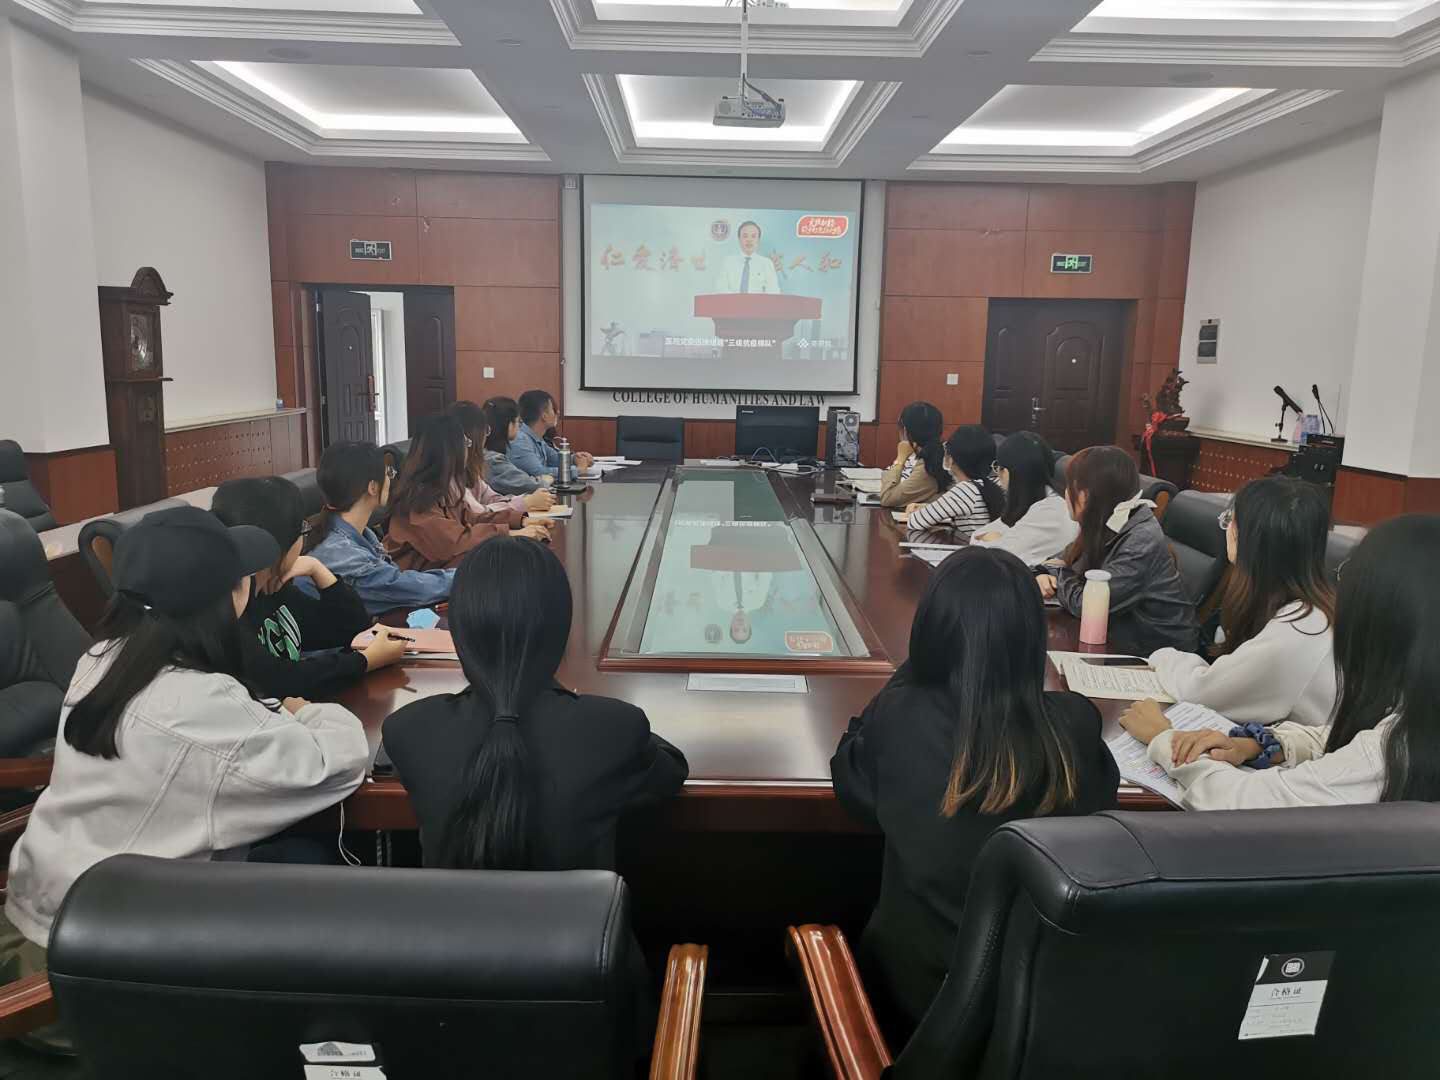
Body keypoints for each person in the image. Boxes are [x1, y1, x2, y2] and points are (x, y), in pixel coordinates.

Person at [0, 506, 369, 1016]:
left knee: (297, 855)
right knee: (320, 877)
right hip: (91, 975)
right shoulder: (194, 702)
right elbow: (337, 763)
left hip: (49, 907)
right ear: (223, 601)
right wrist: (309, 711)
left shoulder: (103, 659)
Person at [831, 547, 1118, 1040]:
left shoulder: (903, 716)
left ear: (931, 632)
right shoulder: (1075, 725)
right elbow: (1103, 798)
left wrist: (915, 673)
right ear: (1032, 639)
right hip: (1043, 1020)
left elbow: (852, 783)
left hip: (914, 1016)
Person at [382, 536, 689, 871]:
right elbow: (670, 771)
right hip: (581, 908)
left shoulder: (408, 729)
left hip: (447, 909)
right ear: (561, 628)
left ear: (459, 630)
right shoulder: (614, 728)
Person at [1119, 514, 1440, 810]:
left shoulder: (1394, 753)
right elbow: (1344, 741)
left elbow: (1241, 804)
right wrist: (1263, 745)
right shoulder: (1416, 715)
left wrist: (1164, 740)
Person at [1149, 476, 1337, 727]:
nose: (1227, 528)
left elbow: (1201, 692)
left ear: (1247, 537)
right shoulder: (1307, 609)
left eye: (1230, 520)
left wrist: (1162, 656)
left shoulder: (1300, 628)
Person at [211, 476, 408, 699]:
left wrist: (318, 570)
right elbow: (279, 680)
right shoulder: (229, 610)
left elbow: (349, 628)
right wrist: (366, 661)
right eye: (302, 529)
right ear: (280, 541)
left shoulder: (274, 589)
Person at [1037, 445, 1198, 655]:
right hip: (1118, 638)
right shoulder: (1106, 522)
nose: (1066, 494)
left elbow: (1087, 605)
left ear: (1086, 495)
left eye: (1070, 486)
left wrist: (1057, 572)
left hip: (1159, 656)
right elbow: (1060, 559)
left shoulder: (1141, 539)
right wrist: (1044, 572)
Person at [304, 441, 456, 616]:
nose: (390, 480)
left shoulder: (360, 533)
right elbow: (402, 588)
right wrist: (466, 577)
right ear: (373, 487)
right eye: (389, 473)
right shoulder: (340, 552)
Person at [385, 413, 550, 572]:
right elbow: (453, 542)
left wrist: (520, 520)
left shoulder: (442, 486)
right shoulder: (418, 497)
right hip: (421, 581)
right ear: (450, 450)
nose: (468, 448)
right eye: (465, 442)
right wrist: (511, 534)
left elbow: (473, 517)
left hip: (441, 569)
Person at [971, 432, 1078, 566]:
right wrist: (995, 537)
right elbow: (980, 536)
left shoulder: (1051, 510)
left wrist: (992, 537)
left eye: (997, 467)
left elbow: (996, 556)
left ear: (1007, 472)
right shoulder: (1034, 500)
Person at [449, 400, 556, 518]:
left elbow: (491, 498)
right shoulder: (453, 475)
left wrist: (525, 501)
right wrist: (526, 502)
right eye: (518, 422)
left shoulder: (471, 467)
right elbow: (478, 513)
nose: (486, 436)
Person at [903, 425, 1005, 541]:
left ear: (951, 458)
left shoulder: (965, 490)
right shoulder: (990, 484)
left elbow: (916, 521)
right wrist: (928, 507)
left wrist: (924, 511)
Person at [508, 390, 594, 481]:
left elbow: (556, 459)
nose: (557, 412)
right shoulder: (520, 440)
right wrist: (578, 470)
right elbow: (540, 473)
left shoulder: (537, 438)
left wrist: (576, 458)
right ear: (544, 416)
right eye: (553, 409)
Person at [879, 402, 947, 509]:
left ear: (905, 431)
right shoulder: (934, 452)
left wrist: (900, 460)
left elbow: (888, 498)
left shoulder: (930, 462)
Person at [483, 396, 550, 496]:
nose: (520, 427)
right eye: (519, 422)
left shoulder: (489, 453)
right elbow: (531, 486)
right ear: (509, 424)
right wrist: (546, 480)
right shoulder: (493, 460)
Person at [715, 220, 780, 295]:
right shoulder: (727, 262)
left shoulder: (766, 263)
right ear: (739, 239)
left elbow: (774, 291)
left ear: (758, 240)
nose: (749, 240)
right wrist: (738, 300)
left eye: (753, 236)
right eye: (745, 236)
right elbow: (720, 288)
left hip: (759, 303)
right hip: (731, 302)